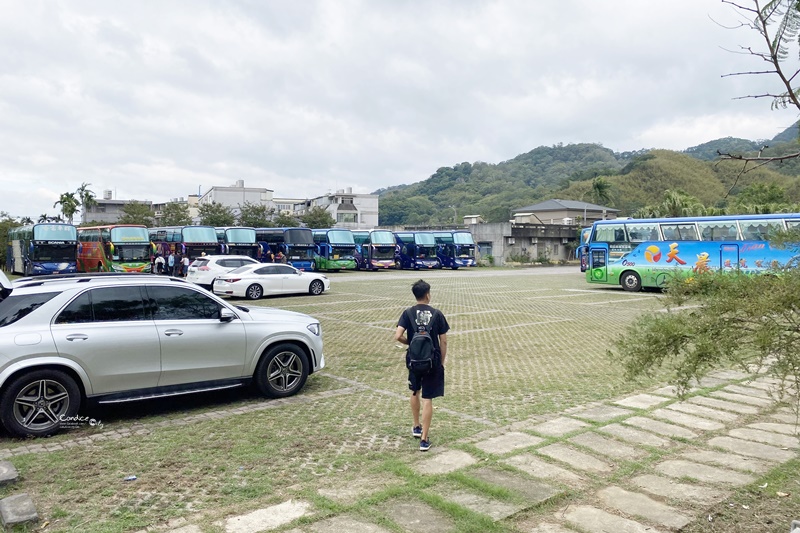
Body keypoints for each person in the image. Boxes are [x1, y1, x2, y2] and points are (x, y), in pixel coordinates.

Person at [394, 279, 449, 451]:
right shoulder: (437, 314)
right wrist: (440, 361)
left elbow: (397, 336)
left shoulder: (407, 313)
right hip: (432, 362)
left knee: (414, 391)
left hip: (414, 360)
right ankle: (424, 440)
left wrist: (411, 343)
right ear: (427, 295)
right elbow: (444, 341)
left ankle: (416, 426)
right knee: (428, 399)